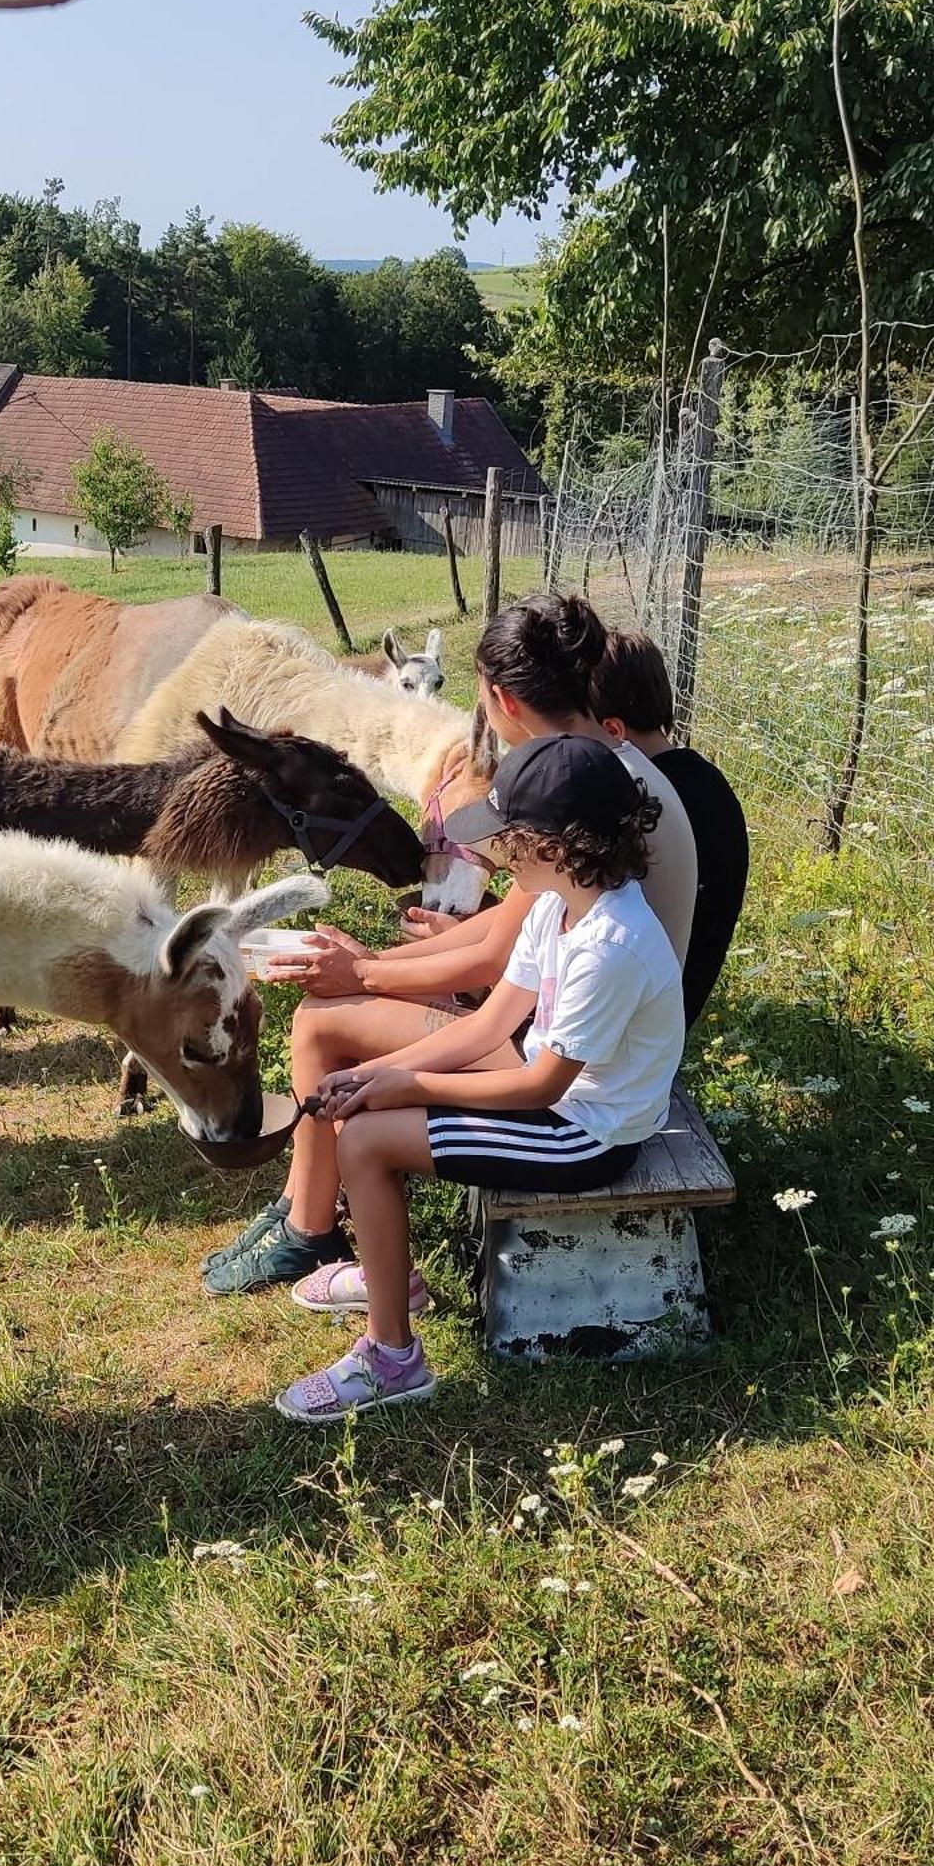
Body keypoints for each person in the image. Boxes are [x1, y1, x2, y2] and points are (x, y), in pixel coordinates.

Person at [201, 593, 697, 1296]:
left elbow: (492, 959)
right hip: (577, 1029)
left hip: (572, 1054)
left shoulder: (566, 797)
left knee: (324, 1021)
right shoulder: (596, 774)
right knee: (343, 1019)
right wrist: (373, 970)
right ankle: (305, 1212)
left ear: (498, 699)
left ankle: (310, 1232)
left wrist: (365, 972)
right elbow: (505, 941)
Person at [271, 734, 682, 1420]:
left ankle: (392, 1357)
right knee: (364, 1116)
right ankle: (386, 1285)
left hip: (587, 1135)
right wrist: (378, 1071)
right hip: (553, 1095)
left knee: (366, 1143)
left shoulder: (611, 945)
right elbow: (489, 1026)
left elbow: (540, 1088)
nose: (494, 853)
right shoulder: (556, 905)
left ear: (553, 845)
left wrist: (414, 1087)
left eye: (505, 837)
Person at [587, 629, 748, 1029]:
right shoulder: (709, 781)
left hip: (631, 1022)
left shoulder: (641, 801)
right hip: (677, 1005)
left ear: (612, 730)